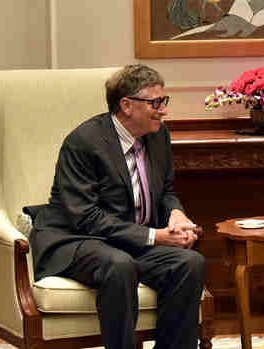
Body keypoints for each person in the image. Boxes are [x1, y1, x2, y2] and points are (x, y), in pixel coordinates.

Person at [29, 64, 205, 349]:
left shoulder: (158, 135)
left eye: (164, 101)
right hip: (78, 240)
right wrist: (155, 236)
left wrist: (176, 213)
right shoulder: (84, 142)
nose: (164, 110)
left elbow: (166, 191)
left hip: (128, 241)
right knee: (119, 265)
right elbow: (85, 217)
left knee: (189, 264)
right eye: (155, 103)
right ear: (127, 105)